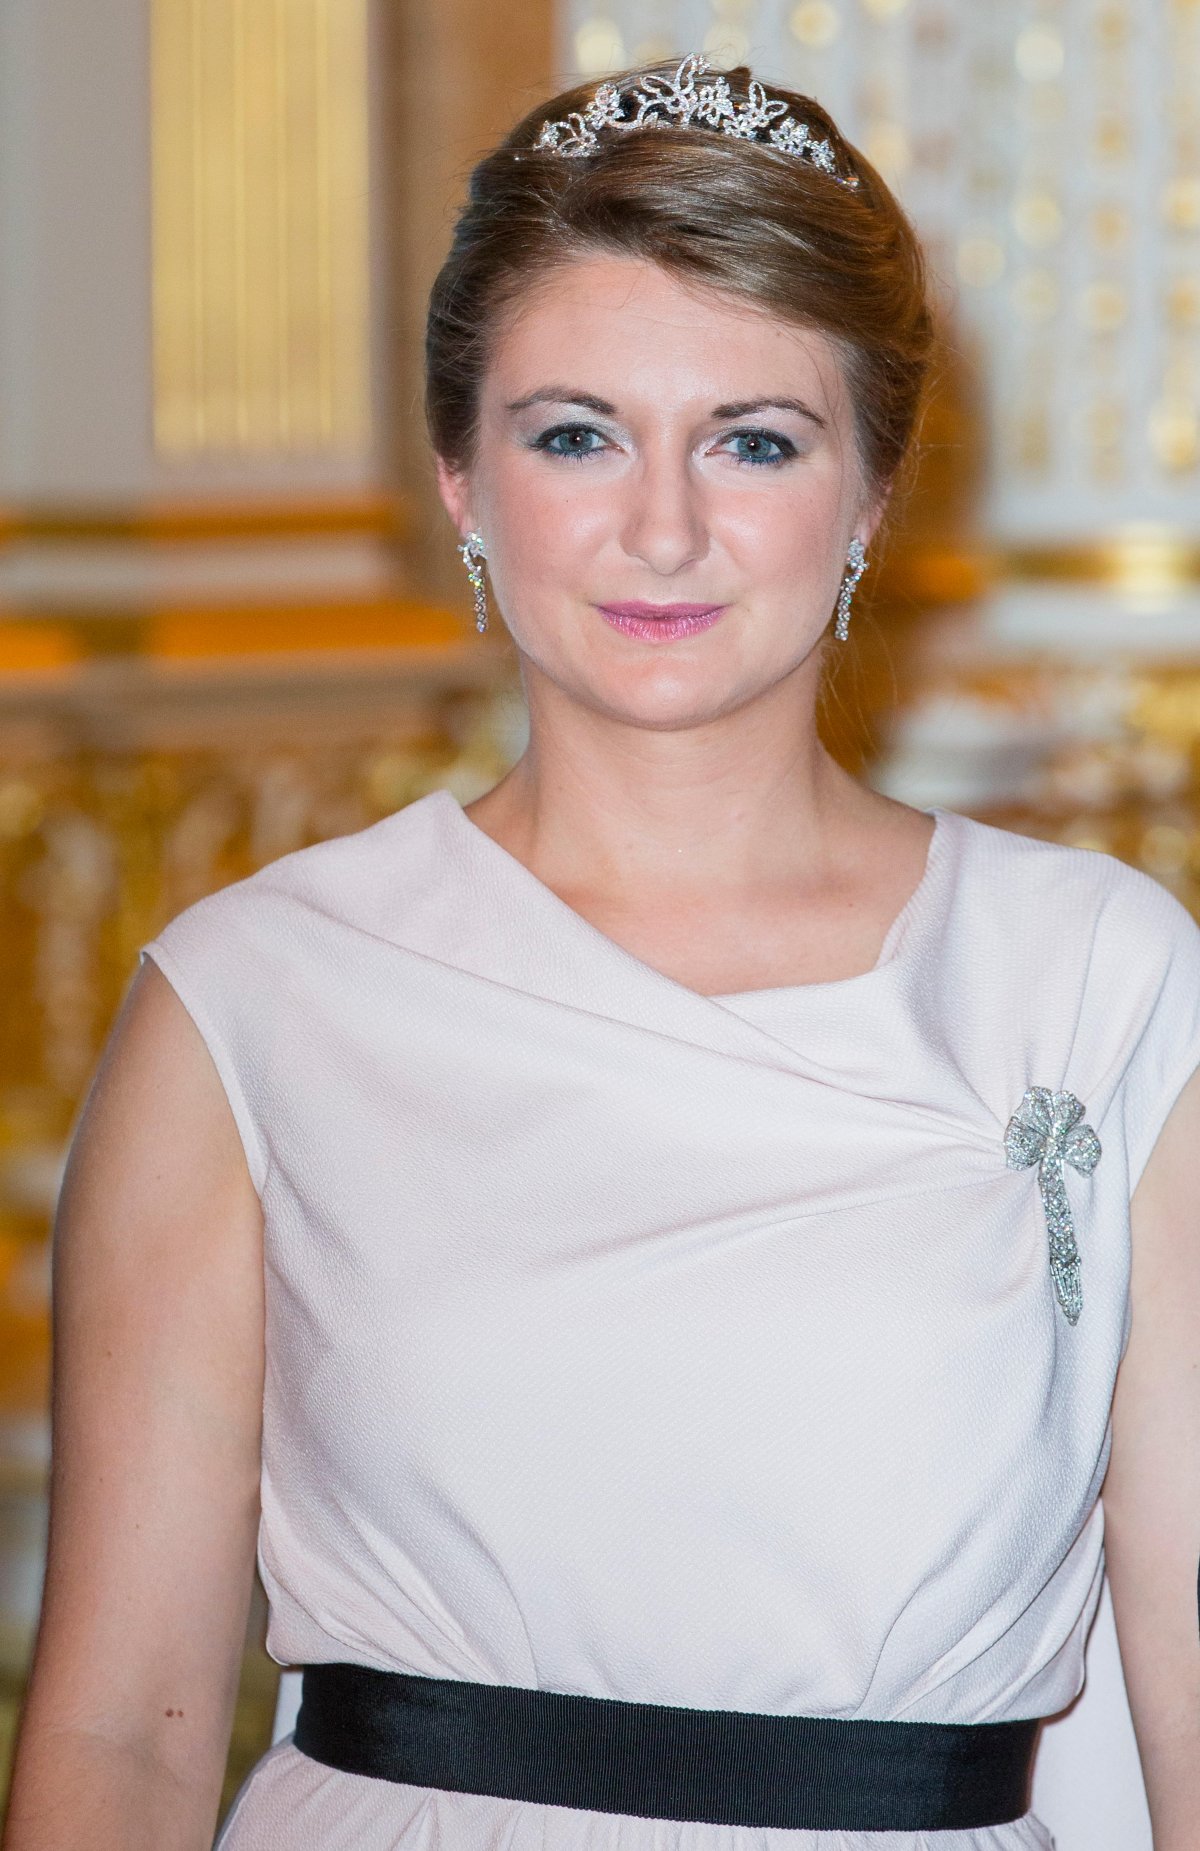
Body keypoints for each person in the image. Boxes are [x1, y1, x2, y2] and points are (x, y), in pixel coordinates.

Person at [4, 52, 1200, 1851]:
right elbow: (121, 1738)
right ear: (464, 486)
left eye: (754, 440)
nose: (662, 527)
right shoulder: (251, 1001)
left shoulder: (1097, 978)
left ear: (872, 497)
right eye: (577, 433)